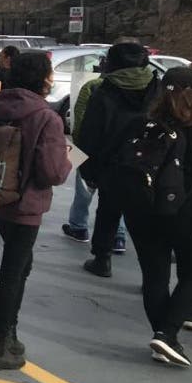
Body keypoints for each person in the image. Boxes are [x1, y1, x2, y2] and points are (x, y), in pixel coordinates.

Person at [0, 52, 71, 370]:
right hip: (27, 204)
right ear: (43, 78)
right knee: (13, 273)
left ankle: (8, 333)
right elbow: (53, 173)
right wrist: (67, 159)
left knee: (19, 264)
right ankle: (0, 341)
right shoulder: (47, 118)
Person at [121, 67, 192, 366]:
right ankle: (166, 334)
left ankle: (163, 336)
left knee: (155, 275)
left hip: (140, 208)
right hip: (184, 210)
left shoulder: (143, 122)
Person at [75, 43, 162, 278]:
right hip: (151, 165)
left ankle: (102, 258)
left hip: (112, 164)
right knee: (147, 218)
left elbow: (90, 133)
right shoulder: (158, 89)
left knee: (108, 211)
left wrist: (88, 170)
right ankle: (152, 273)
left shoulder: (104, 91)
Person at [62, 51, 131, 251]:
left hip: (91, 149)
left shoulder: (92, 86)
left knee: (84, 190)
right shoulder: (145, 88)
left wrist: (75, 150)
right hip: (124, 153)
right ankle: (119, 237)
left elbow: (79, 120)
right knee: (118, 196)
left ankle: (78, 226)